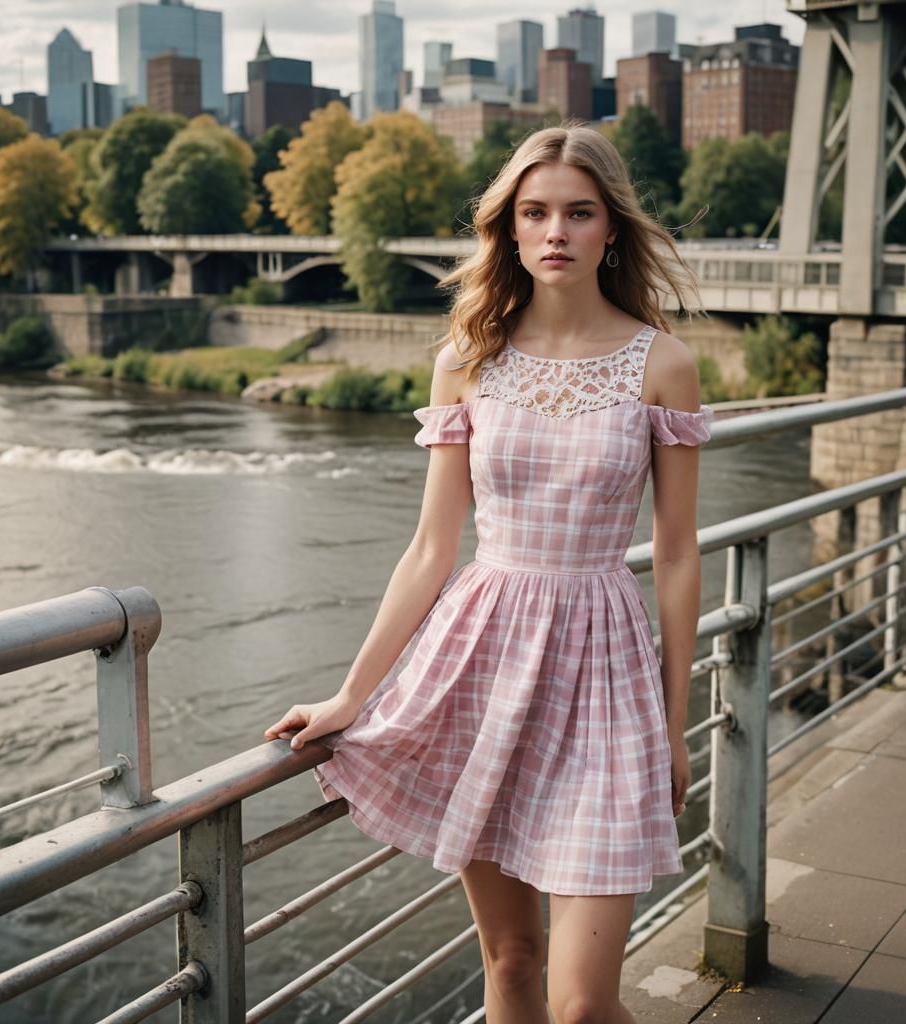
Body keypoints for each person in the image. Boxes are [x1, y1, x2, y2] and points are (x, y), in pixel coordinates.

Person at [264, 119, 713, 1024]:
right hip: (482, 666)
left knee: (584, 1005)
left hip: (605, 675)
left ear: (611, 229)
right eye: (535, 212)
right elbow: (433, 545)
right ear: (508, 228)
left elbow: (674, 553)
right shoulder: (465, 362)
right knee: (511, 962)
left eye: (579, 213)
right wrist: (353, 697)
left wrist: (675, 720)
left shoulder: (662, 364)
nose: (556, 232)